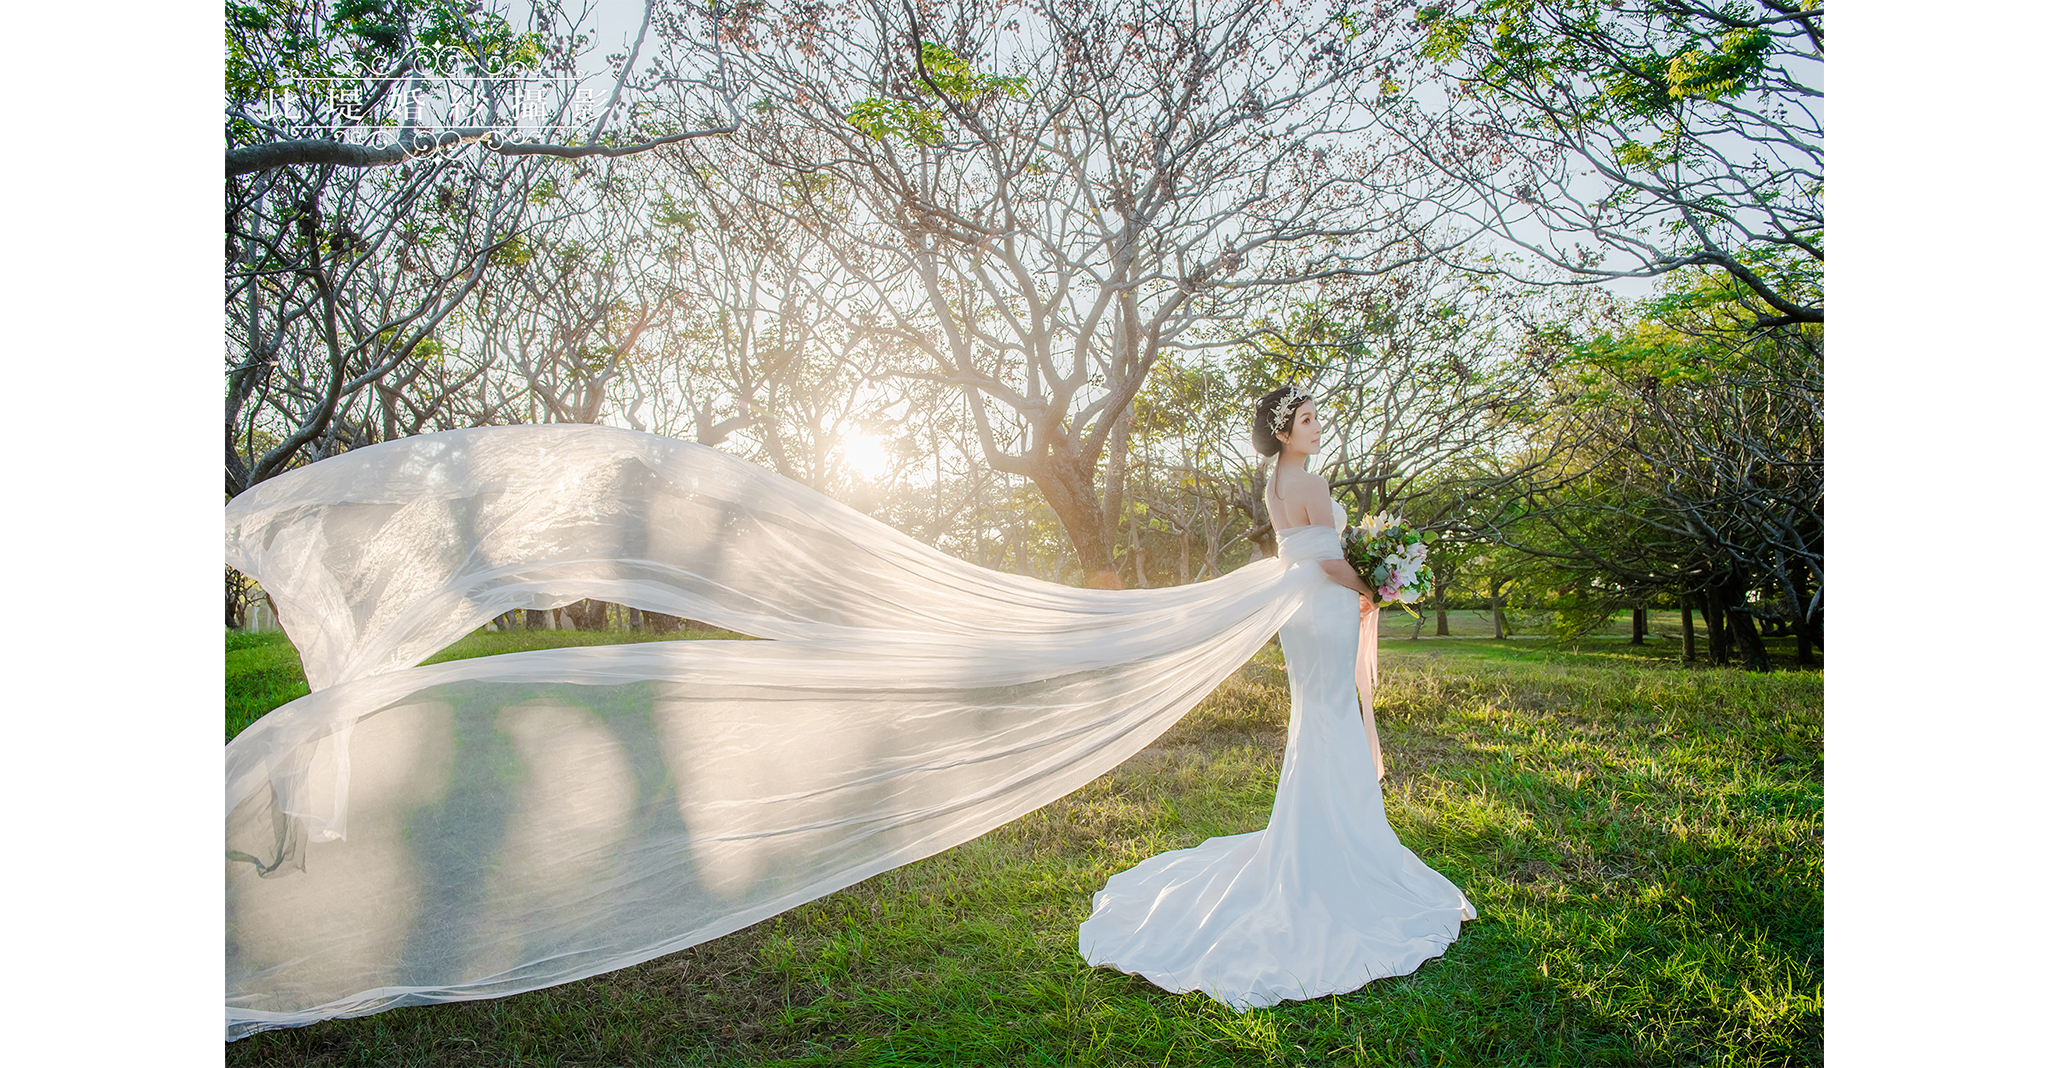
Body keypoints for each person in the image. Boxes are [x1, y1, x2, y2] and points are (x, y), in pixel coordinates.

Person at [1076, 385, 1476, 1009]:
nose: (1317, 428)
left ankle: (1317, 834)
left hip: (1301, 613)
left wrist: (1366, 581)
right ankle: (1342, 849)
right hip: (1327, 603)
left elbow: (1305, 552)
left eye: (1317, 419)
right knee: (1333, 711)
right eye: (1308, 421)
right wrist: (1378, 587)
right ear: (1285, 430)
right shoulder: (1310, 486)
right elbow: (1332, 561)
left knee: (1317, 714)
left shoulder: (1273, 485)